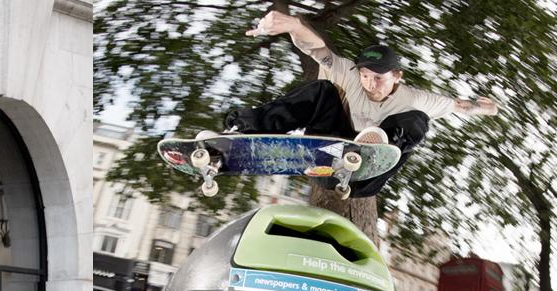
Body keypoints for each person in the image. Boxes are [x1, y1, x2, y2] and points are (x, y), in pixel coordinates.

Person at [212, 10, 500, 197]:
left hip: (364, 178)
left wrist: (485, 107)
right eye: (365, 75)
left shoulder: (413, 97)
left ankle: (376, 148)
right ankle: (244, 129)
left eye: (378, 78)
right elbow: (317, 49)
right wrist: (294, 24)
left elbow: (459, 106)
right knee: (323, 89)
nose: (370, 84)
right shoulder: (350, 75)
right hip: (330, 151)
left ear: (397, 76)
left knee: (417, 120)